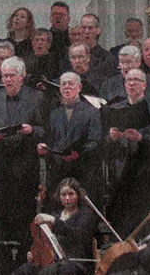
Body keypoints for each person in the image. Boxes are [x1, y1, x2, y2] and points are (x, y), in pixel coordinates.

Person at [0, 56, 46, 273]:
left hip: (25, 167)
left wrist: (32, 131)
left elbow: (45, 130)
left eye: (11, 75)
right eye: (4, 75)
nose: (7, 79)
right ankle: (2, 266)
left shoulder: (37, 98)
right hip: (0, 169)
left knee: (23, 219)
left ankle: (21, 265)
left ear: (22, 76)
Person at [105, 69, 150, 238]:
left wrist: (141, 138)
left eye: (136, 80)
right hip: (121, 173)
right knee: (120, 226)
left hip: (145, 174)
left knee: (142, 226)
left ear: (145, 85)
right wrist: (112, 137)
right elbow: (103, 143)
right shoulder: (116, 109)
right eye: (128, 80)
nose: (131, 83)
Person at [37, 72, 102, 205]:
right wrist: (44, 149)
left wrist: (78, 153)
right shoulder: (54, 113)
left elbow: (95, 141)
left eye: (71, 84)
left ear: (79, 87)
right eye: (63, 84)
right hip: (58, 171)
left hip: (82, 171)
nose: (67, 87)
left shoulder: (92, 112)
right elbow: (50, 140)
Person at [13, 177, 98, 275]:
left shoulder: (86, 214)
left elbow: (78, 235)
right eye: (63, 195)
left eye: (71, 194)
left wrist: (54, 221)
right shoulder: (56, 214)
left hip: (76, 264)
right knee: (24, 270)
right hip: (54, 262)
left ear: (78, 195)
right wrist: (36, 254)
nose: (67, 198)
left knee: (49, 272)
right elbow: (47, 243)